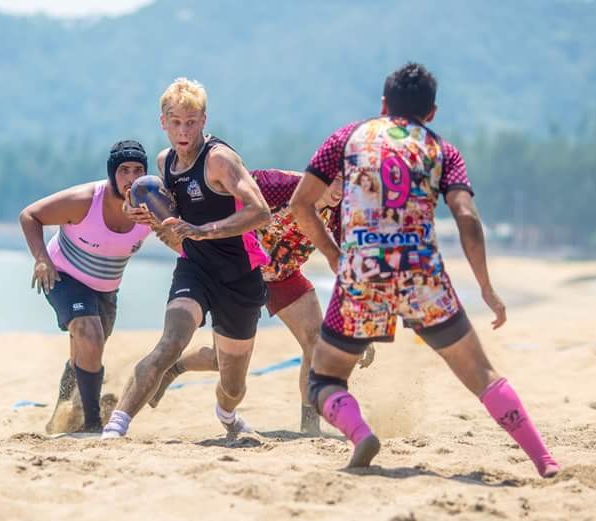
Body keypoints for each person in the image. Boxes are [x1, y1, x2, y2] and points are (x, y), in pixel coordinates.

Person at [289, 62, 560, 477]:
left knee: (323, 381)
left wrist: (332, 253)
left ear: (383, 104)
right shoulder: (442, 150)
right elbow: (467, 218)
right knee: (482, 376)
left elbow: (300, 205)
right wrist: (486, 289)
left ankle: (360, 433)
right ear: (431, 112)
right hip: (422, 275)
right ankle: (544, 460)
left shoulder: (346, 138)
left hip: (362, 273)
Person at [101, 78, 271, 439]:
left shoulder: (220, 160)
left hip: (240, 277)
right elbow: (173, 225)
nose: (183, 130)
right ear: (162, 122)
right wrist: (146, 217)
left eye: (191, 122)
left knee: (233, 384)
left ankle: (227, 415)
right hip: (195, 268)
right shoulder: (164, 164)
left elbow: (261, 213)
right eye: (176, 122)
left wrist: (205, 230)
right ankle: (116, 427)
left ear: (204, 120)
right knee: (171, 341)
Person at [146, 169, 375, 435]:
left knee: (316, 340)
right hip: (241, 268)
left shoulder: (342, 213)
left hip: (283, 275)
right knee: (223, 362)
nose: (340, 189)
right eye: (336, 181)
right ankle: (175, 367)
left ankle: (309, 426)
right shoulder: (281, 185)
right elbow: (225, 193)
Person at [19, 140, 152, 433]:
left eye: (138, 170)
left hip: (106, 289)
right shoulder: (84, 200)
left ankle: (64, 413)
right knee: (89, 335)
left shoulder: (151, 206)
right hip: (63, 275)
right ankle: (92, 423)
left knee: (88, 350)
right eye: (124, 170)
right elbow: (30, 215)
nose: (131, 178)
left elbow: (179, 232)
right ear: (111, 173)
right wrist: (42, 259)